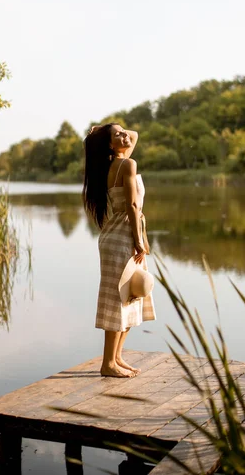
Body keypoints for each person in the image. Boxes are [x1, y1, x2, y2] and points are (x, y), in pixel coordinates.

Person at [83, 123, 156, 378]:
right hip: (124, 234)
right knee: (120, 298)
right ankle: (108, 364)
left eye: (124, 130)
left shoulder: (113, 164)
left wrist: (106, 131)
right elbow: (133, 206)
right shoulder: (127, 164)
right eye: (118, 135)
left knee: (130, 295)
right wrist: (139, 240)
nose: (127, 135)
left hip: (114, 235)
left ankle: (116, 357)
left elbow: (134, 134)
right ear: (110, 146)